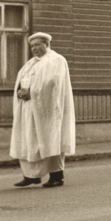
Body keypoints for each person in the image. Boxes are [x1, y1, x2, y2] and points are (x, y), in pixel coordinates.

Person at [10, 32, 76, 188]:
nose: (34, 48)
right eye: (32, 46)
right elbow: (22, 80)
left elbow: (54, 83)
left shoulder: (56, 60)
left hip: (48, 110)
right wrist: (20, 91)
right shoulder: (31, 63)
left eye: (38, 45)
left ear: (47, 45)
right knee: (30, 140)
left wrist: (31, 92)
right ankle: (31, 175)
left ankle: (56, 176)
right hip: (29, 109)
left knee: (51, 140)